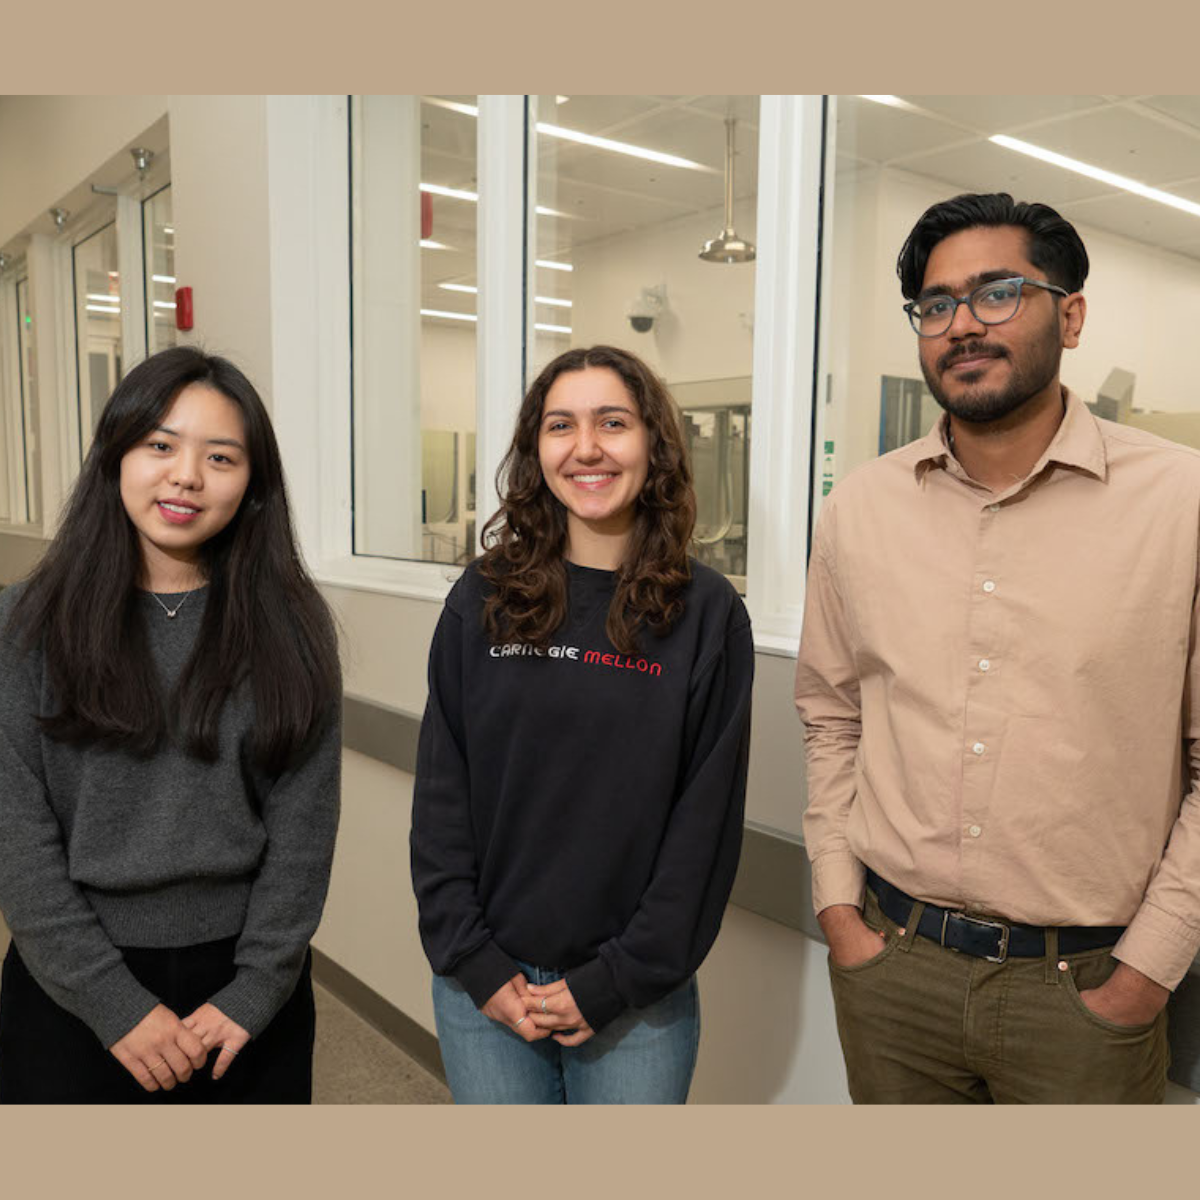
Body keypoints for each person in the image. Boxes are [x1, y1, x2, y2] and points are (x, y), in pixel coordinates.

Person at [795, 192, 1200, 1104]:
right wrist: (839, 908)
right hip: (891, 971)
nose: (962, 326)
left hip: (1086, 994)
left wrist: (1147, 972)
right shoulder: (861, 507)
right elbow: (832, 717)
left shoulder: (1181, 504)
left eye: (998, 293)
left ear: (1072, 314)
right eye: (935, 306)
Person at [410, 344, 753, 1104]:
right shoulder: (484, 598)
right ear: (537, 450)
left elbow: (704, 830)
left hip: (635, 1000)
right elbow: (442, 793)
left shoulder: (707, 614)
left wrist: (616, 980)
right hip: (487, 990)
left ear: (654, 446)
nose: (587, 447)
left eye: (613, 422)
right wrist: (473, 960)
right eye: (561, 425)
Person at [0, 346, 341, 1104]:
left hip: (246, 994)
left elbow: (304, 832)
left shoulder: (290, 627)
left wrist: (255, 990)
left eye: (220, 456)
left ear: (252, 483)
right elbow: (16, 841)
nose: (186, 475)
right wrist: (114, 1004)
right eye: (160, 445)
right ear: (115, 454)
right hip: (71, 988)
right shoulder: (23, 625)